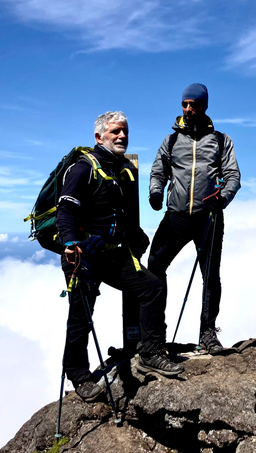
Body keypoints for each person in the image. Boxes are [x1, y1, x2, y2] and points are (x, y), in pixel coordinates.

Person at [58, 111, 184, 402]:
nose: (122, 136)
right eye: (115, 131)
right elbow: (66, 208)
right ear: (99, 136)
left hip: (114, 255)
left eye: (125, 131)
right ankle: (78, 375)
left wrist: (136, 235)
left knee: (151, 287)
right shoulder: (82, 167)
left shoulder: (120, 169)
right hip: (83, 256)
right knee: (81, 317)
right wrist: (69, 242)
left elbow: (119, 213)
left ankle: (150, 352)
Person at [148, 84, 241, 354]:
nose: (188, 109)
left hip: (209, 218)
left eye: (194, 104)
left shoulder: (221, 140)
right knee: (153, 268)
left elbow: (233, 176)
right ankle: (155, 335)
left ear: (204, 106)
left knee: (210, 277)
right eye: (185, 104)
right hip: (175, 217)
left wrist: (222, 198)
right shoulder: (172, 141)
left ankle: (208, 334)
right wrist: (156, 193)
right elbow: (158, 171)